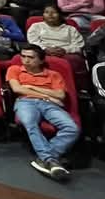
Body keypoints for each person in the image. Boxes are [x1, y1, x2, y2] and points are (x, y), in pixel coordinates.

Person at [6, 45, 80, 181]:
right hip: (26, 102)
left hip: (50, 105)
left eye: (31, 57)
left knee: (72, 128)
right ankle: (50, 160)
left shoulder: (53, 74)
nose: (26, 60)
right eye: (23, 56)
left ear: (41, 60)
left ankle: (46, 158)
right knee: (29, 123)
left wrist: (32, 87)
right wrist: (46, 96)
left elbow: (60, 95)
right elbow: (17, 89)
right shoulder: (14, 69)